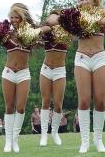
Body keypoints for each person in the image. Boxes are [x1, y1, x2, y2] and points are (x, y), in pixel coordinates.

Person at [2, 3, 50, 153]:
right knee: (9, 106)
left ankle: (15, 140)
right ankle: (8, 141)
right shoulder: (6, 34)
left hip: (23, 74)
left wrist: (35, 30)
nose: (14, 20)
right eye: (12, 17)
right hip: (8, 73)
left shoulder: (30, 33)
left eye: (17, 17)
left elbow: (48, 27)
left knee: (21, 107)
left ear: (22, 18)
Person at [74, 0, 105, 153]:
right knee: (84, 100)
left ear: (94, 0)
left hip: (100, 57)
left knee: (100, 100)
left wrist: (93, 18)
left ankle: (98, 139)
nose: (84, 2)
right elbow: (54, 21)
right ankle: (84, 141)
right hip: (82, 58)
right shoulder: (74, 16)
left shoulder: (102, 13)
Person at [39, 10, 70, 146]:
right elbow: (41, 29)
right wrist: (49, 22)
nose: (53, 19)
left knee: (58, 104)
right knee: (45, 102)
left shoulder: (67, 30)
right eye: (52, 17)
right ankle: (44, 135)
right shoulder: (46, 31)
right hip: (46, 70)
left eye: (56, 17)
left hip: (59, 71)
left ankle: (55, 132)